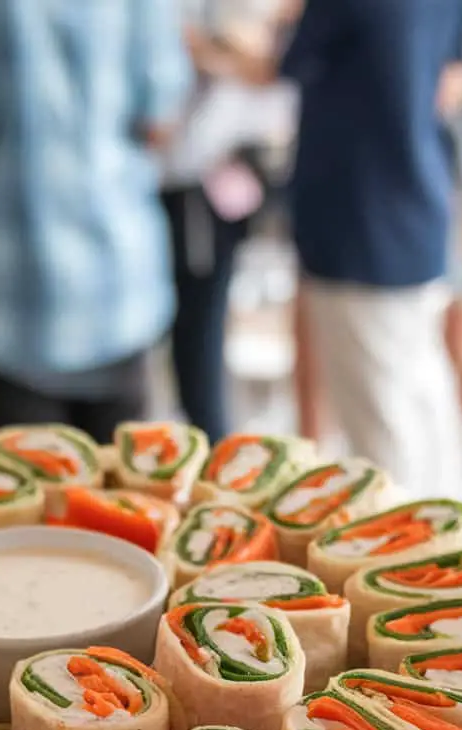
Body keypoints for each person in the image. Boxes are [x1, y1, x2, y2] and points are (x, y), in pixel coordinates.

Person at [0, 0, 191, 447]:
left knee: (25, 511)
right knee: (120, 505)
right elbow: (160, 121)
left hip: (10, 308)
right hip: (121, 292)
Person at [281, 0, 462, 498]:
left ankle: (405, 563)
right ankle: (449, 542)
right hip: (417, 207)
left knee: (382, 434)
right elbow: (451, 79)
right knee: (424, 400)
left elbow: (287, 61)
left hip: (359, 226)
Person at [160, 0, 298, 442]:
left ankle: (209, 450)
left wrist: (209, 52)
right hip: (191, 180)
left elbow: (268, 70)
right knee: (191, 338)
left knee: (200, 338)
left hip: (206, 183)